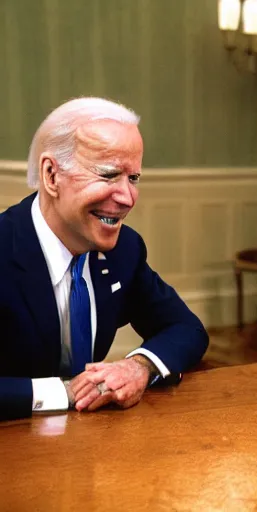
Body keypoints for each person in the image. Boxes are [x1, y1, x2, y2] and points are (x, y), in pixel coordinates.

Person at [0, 97, 209, 422]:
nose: (127, 198)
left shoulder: (124, 249)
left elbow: (186, 328)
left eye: (133, 178)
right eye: (109, 175)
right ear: (52, 175)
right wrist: (67, 393)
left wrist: (139, 367)